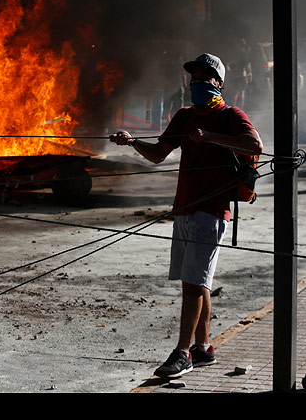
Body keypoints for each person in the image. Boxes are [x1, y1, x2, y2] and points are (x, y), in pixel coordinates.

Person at [109, 53, 263, 379]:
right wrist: (132, 141)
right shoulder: (184, 115)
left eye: (205, 77)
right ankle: (203, 348)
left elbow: (254, 144)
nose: (197, 83)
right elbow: (157, 154)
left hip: (212, 211)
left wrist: (210, 138)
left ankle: (182, 354)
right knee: (195, 282)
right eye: (194, 77)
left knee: (194, 284)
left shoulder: (230, 115)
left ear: (219, 83)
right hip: (184, 209)